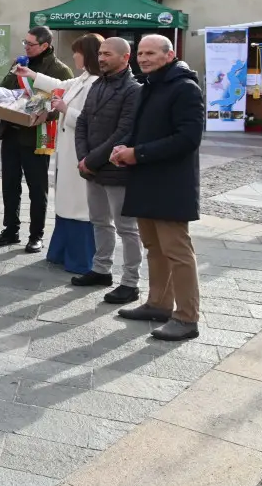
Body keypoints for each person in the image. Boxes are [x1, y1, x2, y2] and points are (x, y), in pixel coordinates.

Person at [112, 35, 204, 341]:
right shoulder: (150, 85)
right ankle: (158, 304)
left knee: (178, 251)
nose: (144, 57)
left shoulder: (185, 88)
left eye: (151, 53)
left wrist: (138, 153)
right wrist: (127, 147)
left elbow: (188, 138)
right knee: (154, 247)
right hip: (146, 180)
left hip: (171, 185)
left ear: (170, 54)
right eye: (140, 52)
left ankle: (187, 317)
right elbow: (144, 131)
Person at [14, 34, 103, 273]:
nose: (74, 55)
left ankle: (80, 258)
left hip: (81, 150)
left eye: (77, 51)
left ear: (87, 55)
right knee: (65, 201)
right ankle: (61, 252)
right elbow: (59, 85)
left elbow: (92, 121)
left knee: (78, 203)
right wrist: (31, 75)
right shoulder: (82, 78)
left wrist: (65, 110)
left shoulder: (95, 82)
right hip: (67, 149)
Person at [0, 26, 74, 253]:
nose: (26, 47)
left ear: (45, 46)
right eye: (24, 43)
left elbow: (65, 102)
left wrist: (46, 111)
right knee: (9, 185)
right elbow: (3, 91)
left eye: (31, 44)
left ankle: (36, 235)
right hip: (11, 133)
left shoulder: (60, 70)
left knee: (37, 188)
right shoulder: (19, 64)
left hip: (38, 136)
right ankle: (10, 230)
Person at [74, 37, 143, 304]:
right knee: (99, 221)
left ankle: (130, 281)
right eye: (100, 54)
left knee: (127, 228)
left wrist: (92, 159)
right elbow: (82, 122)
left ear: (125, 58)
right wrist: (84, 157)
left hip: (116, 168)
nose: (101, 58)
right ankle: (101, 269)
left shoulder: (133, 89)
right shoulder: (96, 84)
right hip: (92, 168)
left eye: (108, 54)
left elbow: (124, 131)